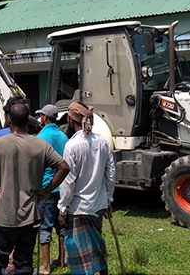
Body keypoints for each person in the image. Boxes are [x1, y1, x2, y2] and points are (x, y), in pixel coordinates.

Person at [0, 102, 70, 275]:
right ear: (28, 121)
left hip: (2, 215)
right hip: (29, 215)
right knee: (24, 263)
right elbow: (64, 167)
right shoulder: (40, 144)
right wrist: (46, 191)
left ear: (8, 119)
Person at [57, 102, 116, 275]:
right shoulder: (102, 142)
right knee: (96, 244)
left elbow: (68, 181)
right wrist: (108, 198)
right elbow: (111, 174)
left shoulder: (72, 146)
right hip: (97, 205)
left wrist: (62, 208)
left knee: (81, 253)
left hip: (78, 208)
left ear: (70, 119)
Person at [35, 104, 69, 274]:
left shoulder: (41, 137)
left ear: (44, 117)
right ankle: (63, 260)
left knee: (45, 226)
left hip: (46, 187)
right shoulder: (64, 137)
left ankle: (46, 266)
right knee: (61, 225)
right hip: (62, 187)